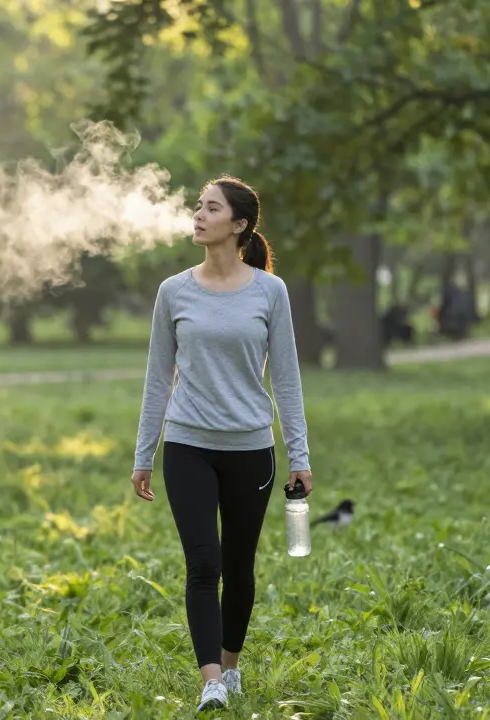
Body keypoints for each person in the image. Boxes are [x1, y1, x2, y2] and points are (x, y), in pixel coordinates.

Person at [131, 175, 313, 712]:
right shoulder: (173, 291)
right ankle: (210, 679)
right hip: (188, 445)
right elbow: (157, 378)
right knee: (202, 564)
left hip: (251, 450)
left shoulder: (270, 292)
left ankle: (230, 667)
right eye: (198, 206)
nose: (198, 215)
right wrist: (145, 454)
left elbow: (287, 379)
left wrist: (300, 455)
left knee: (238, 566)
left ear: (239, 225)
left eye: (211, 208)